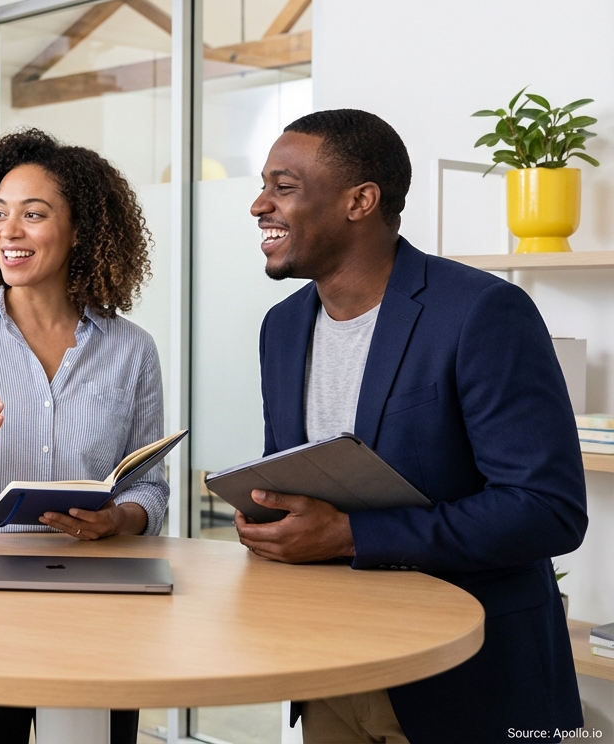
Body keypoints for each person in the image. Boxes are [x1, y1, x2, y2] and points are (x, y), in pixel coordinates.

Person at [241, 109, 585, 743]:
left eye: (283, 187)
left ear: (360, 201)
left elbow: (548, 510)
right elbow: (302, 479)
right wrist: (273, 518)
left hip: (470, 685)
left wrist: (350, 534)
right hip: (331, 675)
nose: (260, 204)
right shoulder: (282, 328)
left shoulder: (483, 312)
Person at [0, 128, 166, 744]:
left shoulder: (132, 350)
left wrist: (118, 520)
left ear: (81, 231)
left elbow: (149, 488)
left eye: (33, 214)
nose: (8, 231)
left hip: (98, 591)